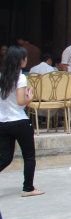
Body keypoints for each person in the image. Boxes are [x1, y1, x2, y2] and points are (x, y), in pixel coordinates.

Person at [0, 46, 44, 197]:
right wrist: (29, 97)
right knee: (29, 156)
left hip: (3, 122)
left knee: (5, 157)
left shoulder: (1, 76)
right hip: (19, 121)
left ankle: (29, 187)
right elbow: (20, 101)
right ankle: (28, 188)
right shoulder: (20, 77)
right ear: (20, 61)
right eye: (24, 58)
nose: (26, 60)